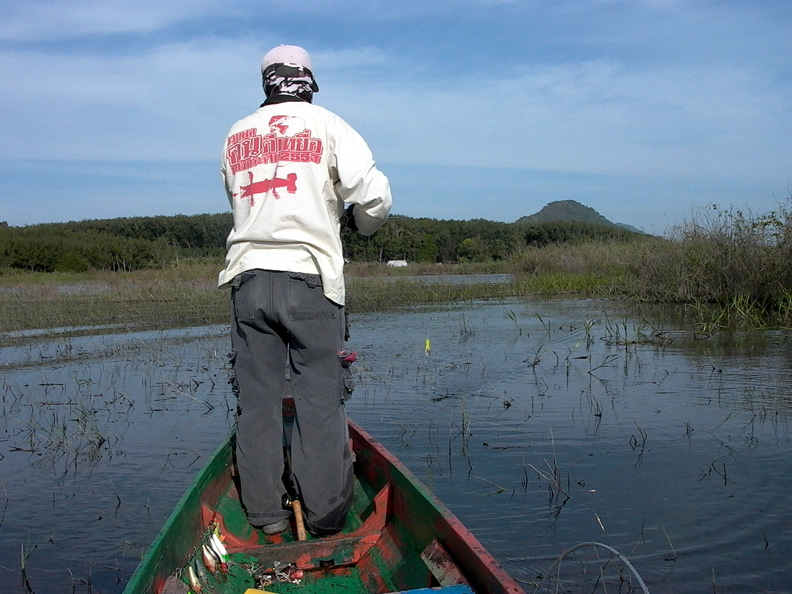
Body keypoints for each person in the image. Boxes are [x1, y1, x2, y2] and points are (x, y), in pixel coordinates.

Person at [217, 45, 392, 536]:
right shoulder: (330, 125)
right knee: (318, 403)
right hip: (310, 278)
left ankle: (266, 519)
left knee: (257, 405)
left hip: (248, 279)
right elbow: (374, 195)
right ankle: (326, 518)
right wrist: (362, 223)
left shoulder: (236, 134)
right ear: (308, 80)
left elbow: (237, 200)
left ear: (267, 83)